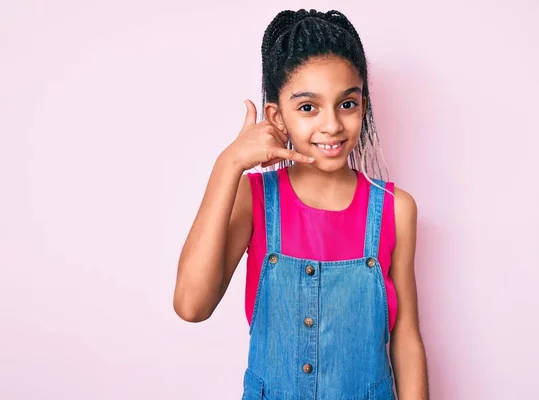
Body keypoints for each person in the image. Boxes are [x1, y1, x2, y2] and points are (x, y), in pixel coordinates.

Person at [173, 8, 429, 399]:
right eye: (308, 107)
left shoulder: (396, 209)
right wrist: (229, 164)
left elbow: (406, 337)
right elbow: (192, 305)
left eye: (347, 104)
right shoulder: (254, 197)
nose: (332, 125)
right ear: (277, 116)